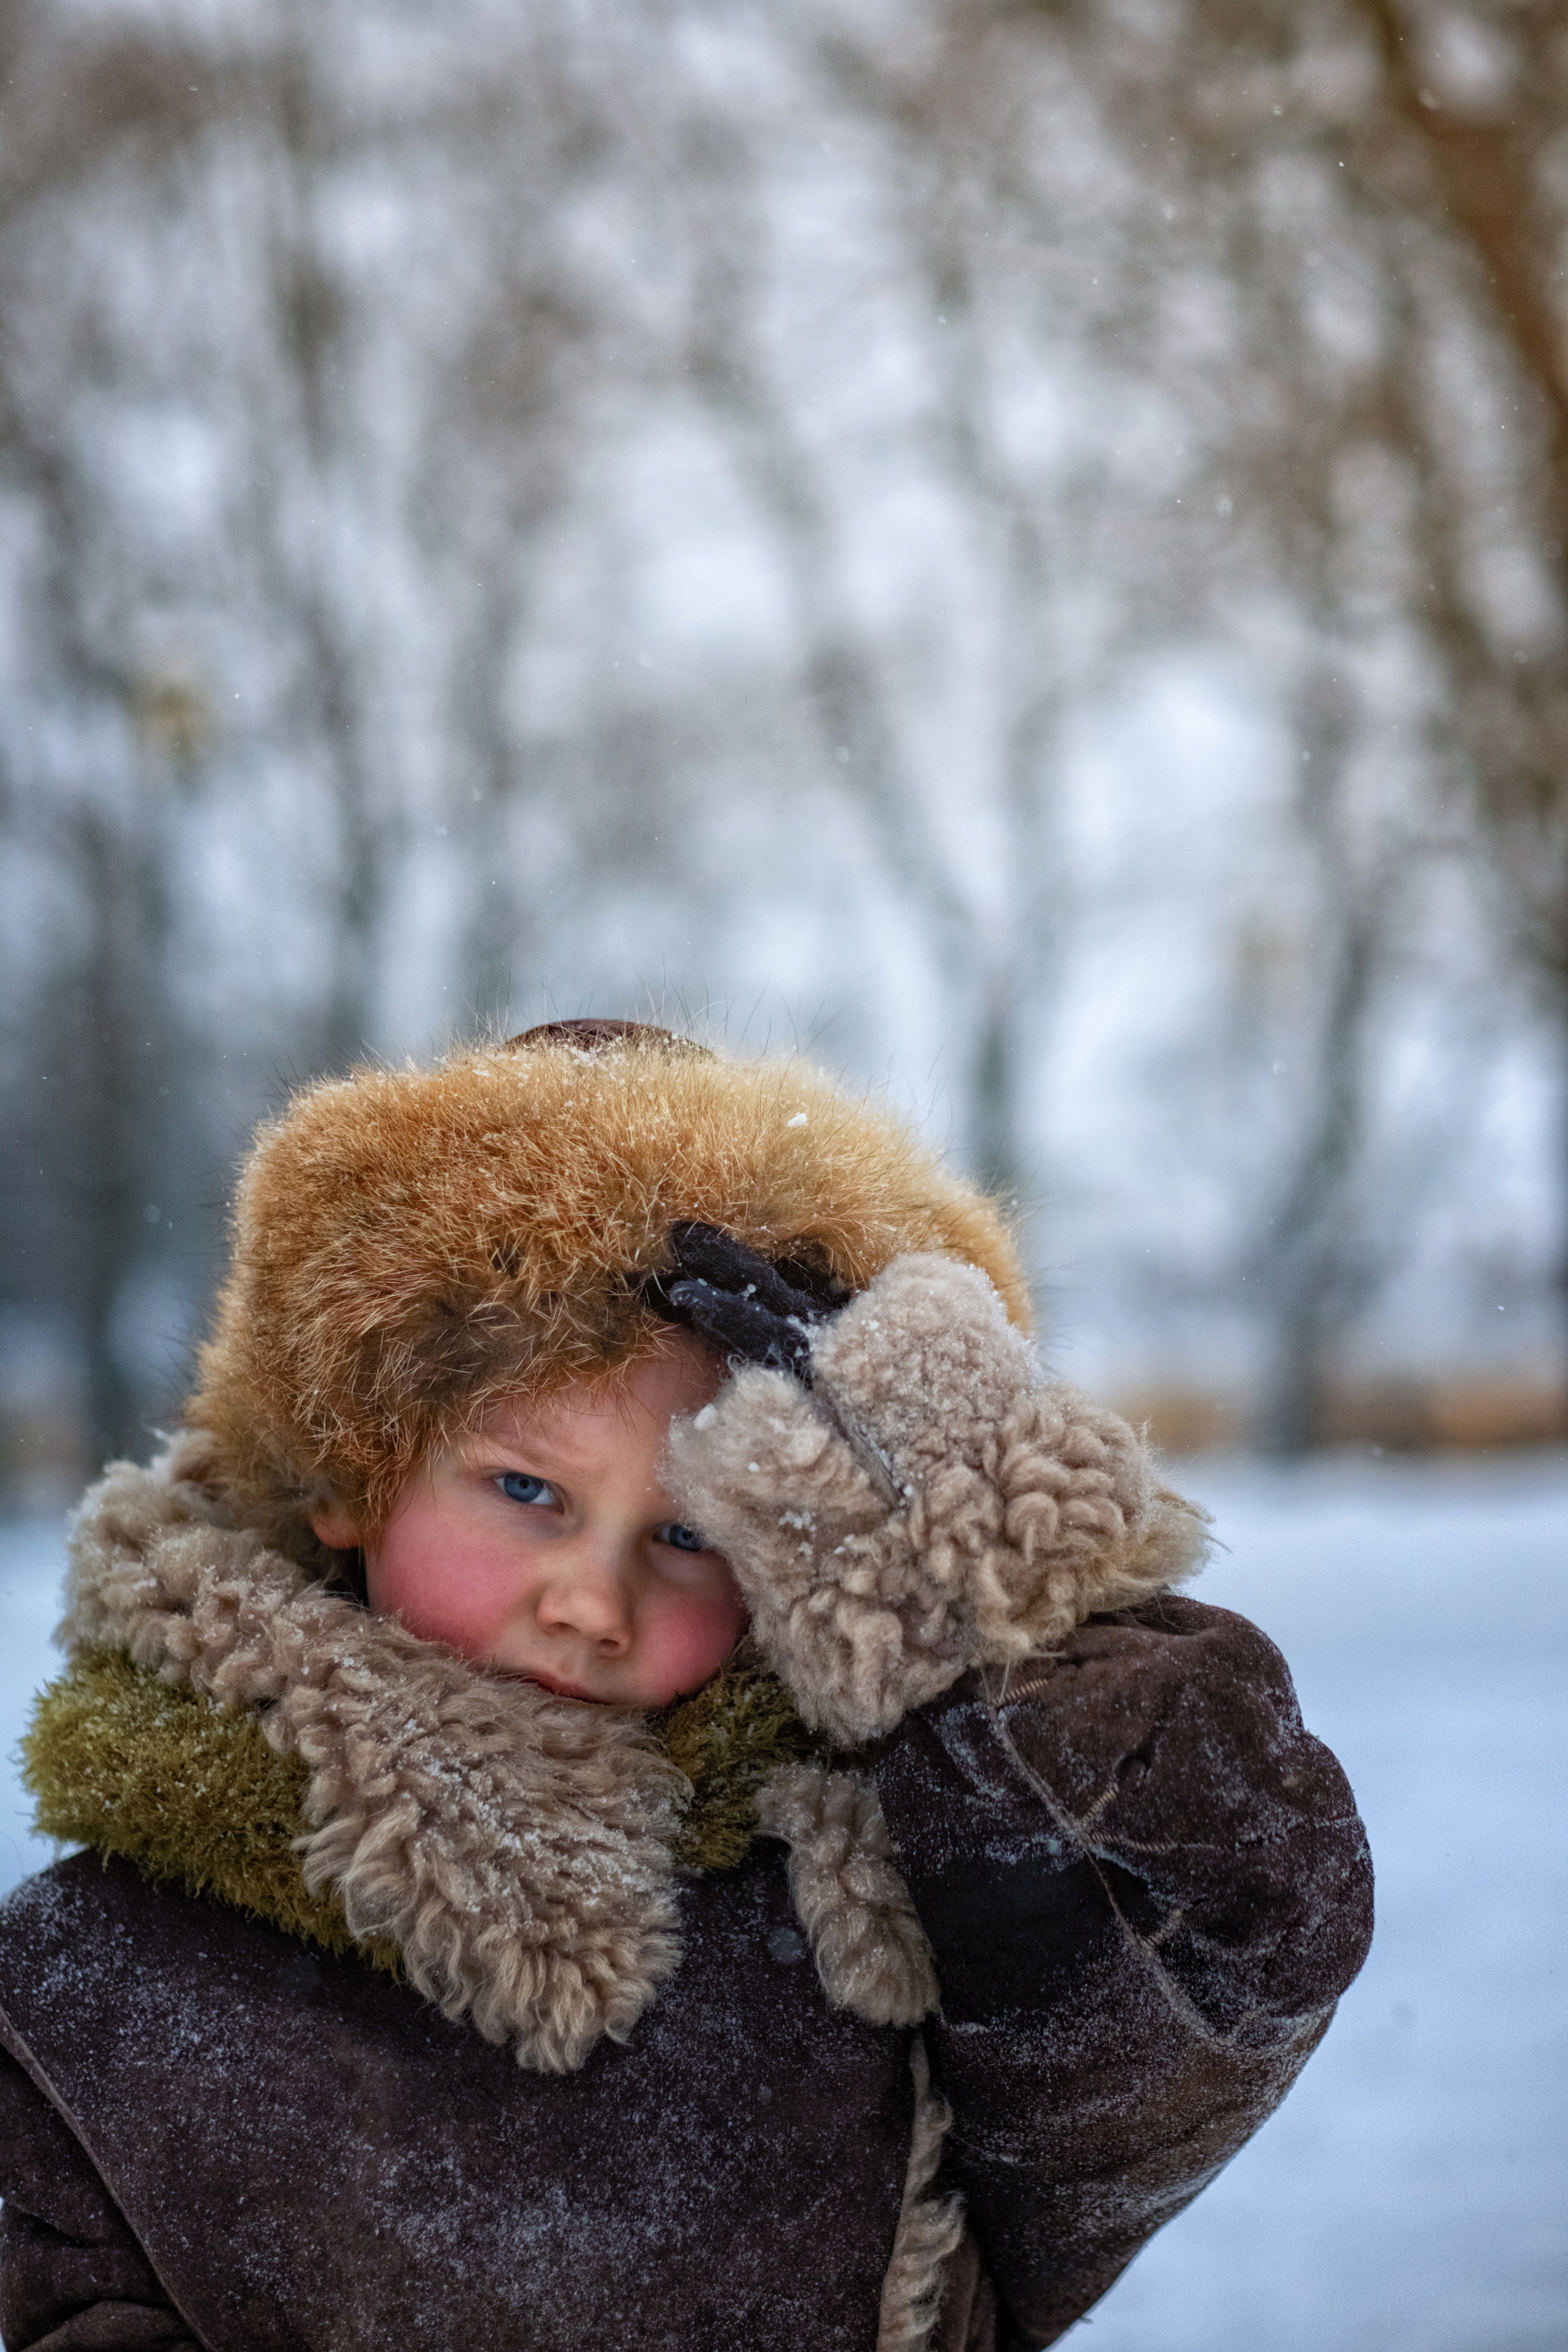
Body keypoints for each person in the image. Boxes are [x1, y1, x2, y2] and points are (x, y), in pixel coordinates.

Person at [0, 1019, 1373, 2352]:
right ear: (353, 1471)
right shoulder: (88, 1990)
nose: (594, 1601)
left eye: (687, 1536)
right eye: (526, 1490)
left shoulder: (887, 1882)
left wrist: (960, 1537)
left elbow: (1241, 1935)